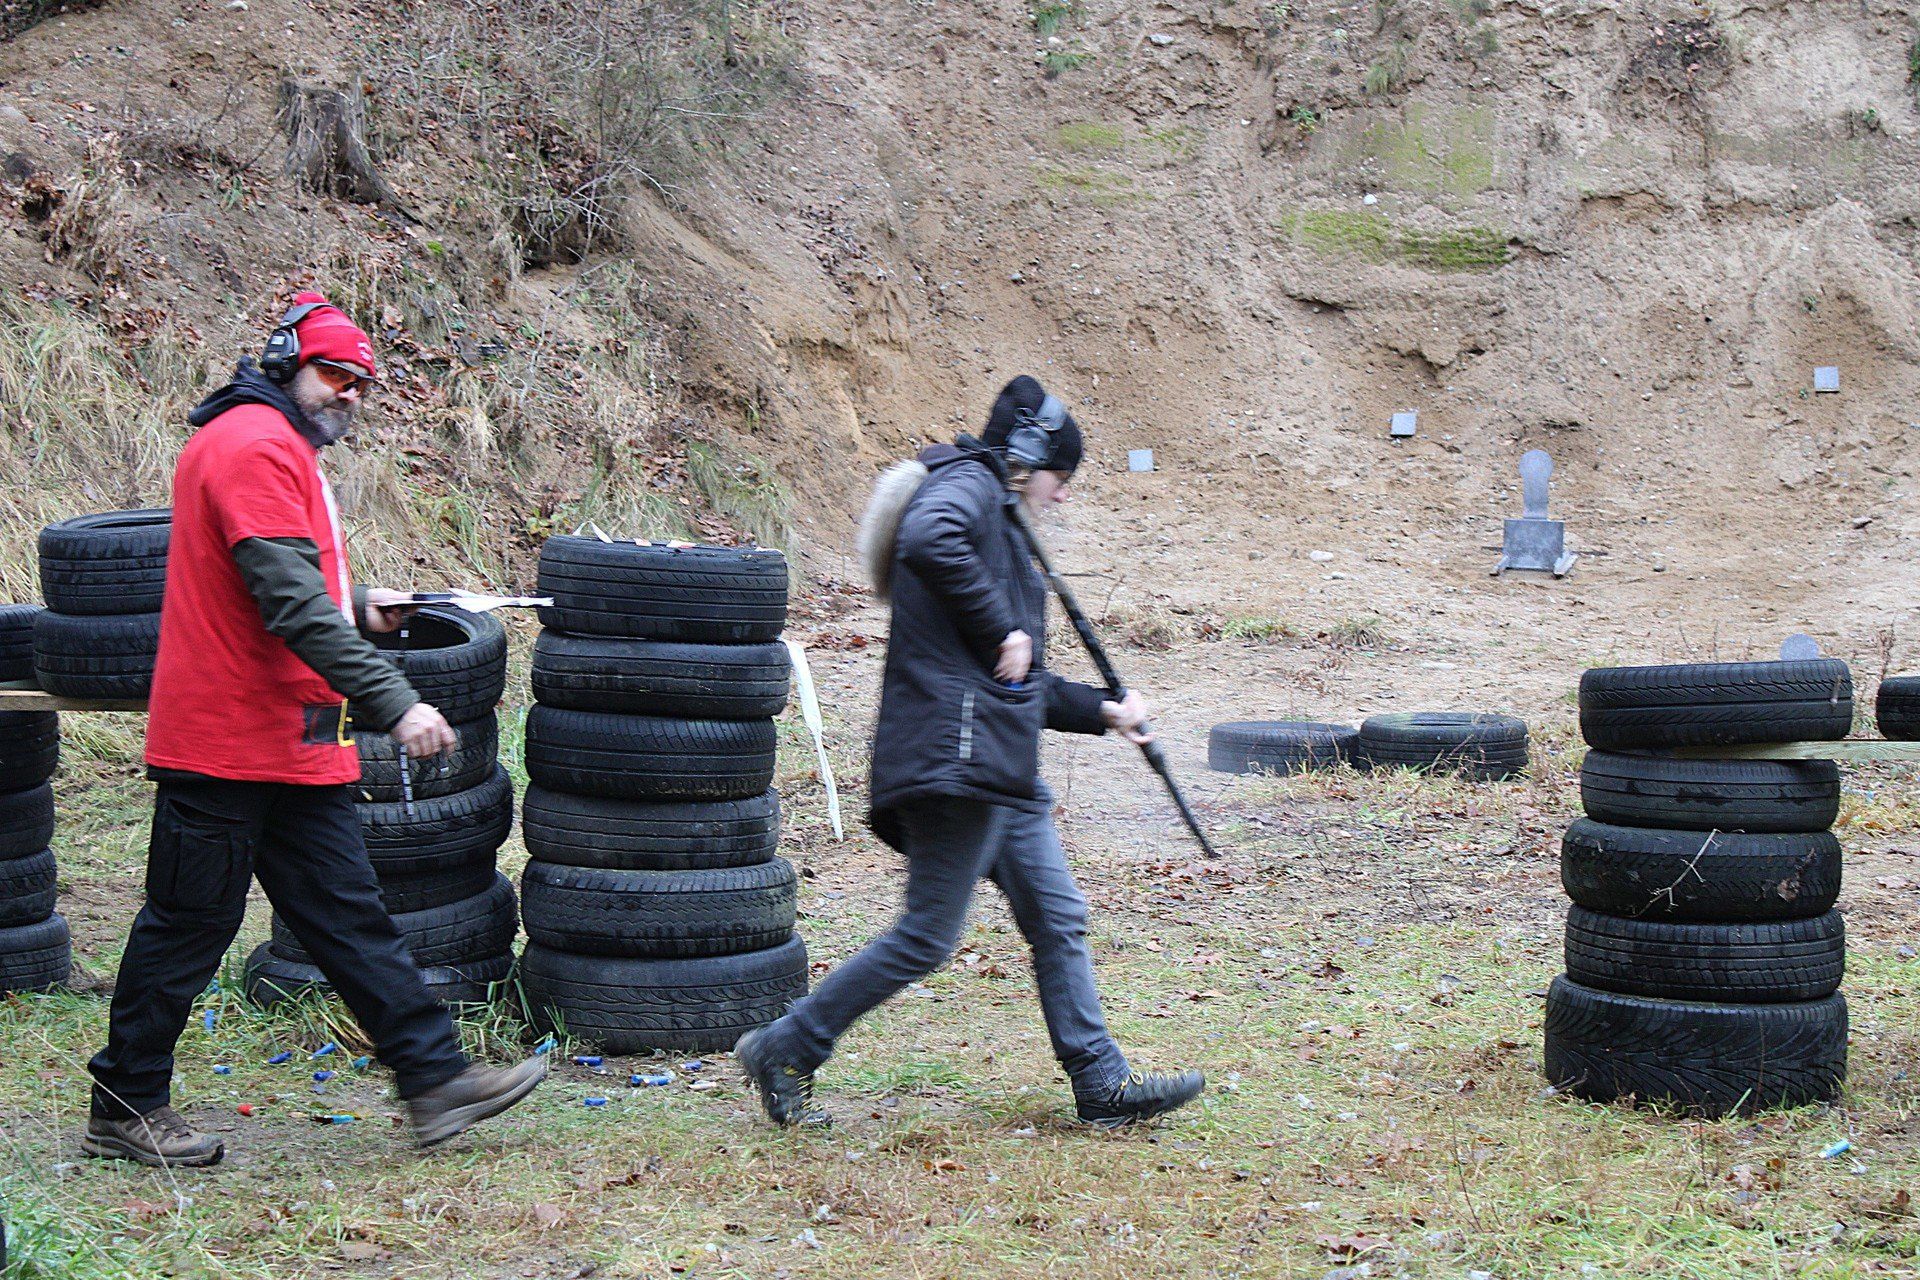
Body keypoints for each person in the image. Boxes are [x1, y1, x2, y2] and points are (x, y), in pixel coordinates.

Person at [83, 294, 545, 1167]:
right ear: (285, 363)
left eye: (362, 381)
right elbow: (289, 604)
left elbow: (289, 589)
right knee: (187, 926)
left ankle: (433, 1078)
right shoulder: (254, 445)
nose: (351, 393)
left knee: (351, 922)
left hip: (288, 746)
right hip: (227, 744)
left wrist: (361, 606)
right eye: (336, 373)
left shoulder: (273, 446)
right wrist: (395, 701)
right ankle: (124, 1105)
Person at [737, 375, 1204, 1129]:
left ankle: (1101, 1083)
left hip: (997, 766)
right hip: (956, 762)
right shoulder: (968, 488)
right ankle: (788, 1046)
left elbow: (1019, 683)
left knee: (1058, 916)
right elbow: (929, 539)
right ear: (1026, 457)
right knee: (926, 936)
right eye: (1060, 477)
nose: (1062, 495)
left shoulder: (1002, 522)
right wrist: (1001, 627)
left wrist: (1106, 711)